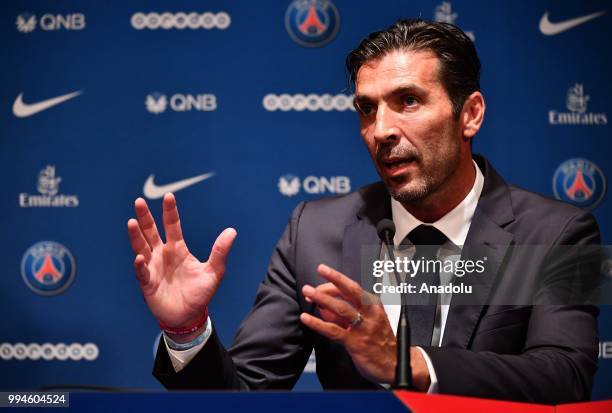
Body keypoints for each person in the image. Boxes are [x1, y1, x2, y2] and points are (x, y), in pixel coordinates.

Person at [127, 19, 600, 403]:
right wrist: (186, 330)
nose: (381, 130)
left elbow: (566, 376)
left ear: (470, 114)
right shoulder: (315, 231)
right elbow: (245, 396)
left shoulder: (558, 233)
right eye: (366, 109)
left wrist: (408, 363)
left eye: (408, 101)